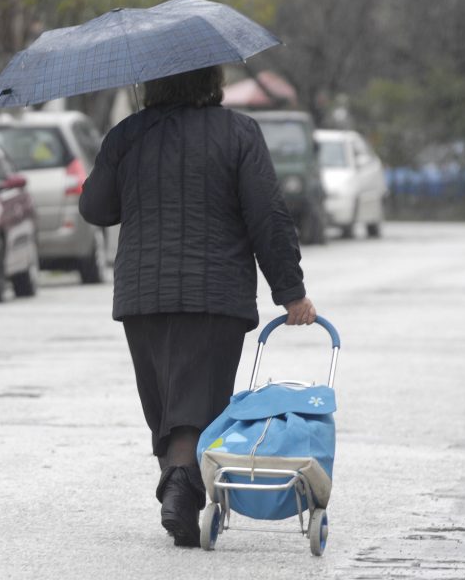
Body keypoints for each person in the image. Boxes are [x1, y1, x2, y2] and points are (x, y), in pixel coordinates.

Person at [78, 65, 317, 548]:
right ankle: (182, 488)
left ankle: (179, 487)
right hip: (215, 294)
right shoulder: (238, 133)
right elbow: (267, 217)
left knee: (165, 400)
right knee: (197, 402)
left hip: (144, 295)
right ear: (212, 81)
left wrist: (125, 153)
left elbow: (96, 209)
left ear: (154, 84)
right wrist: (290, 291)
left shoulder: (127, 135)